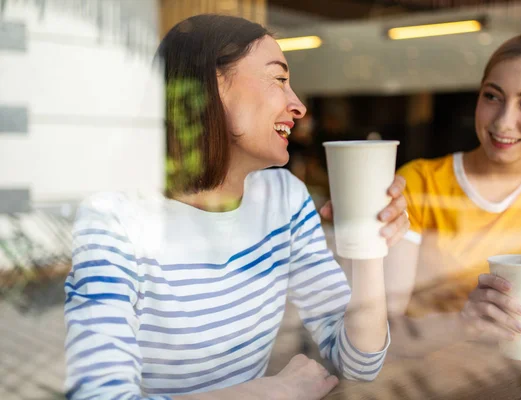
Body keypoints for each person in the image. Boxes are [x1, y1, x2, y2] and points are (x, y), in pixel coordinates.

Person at [63, 14, 409, 400]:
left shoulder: (285, 198)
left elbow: (359, 363)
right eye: (279, 79)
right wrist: (272, 393)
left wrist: (370, 243)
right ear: (211, 87)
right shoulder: (115, 219)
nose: (299, 106)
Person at [385, 31, 521, 356]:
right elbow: (381, 329)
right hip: (420, 373)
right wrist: (463, 323)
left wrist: (464, 330)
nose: (503, 122)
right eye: (492, 96)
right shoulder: (419, 181)